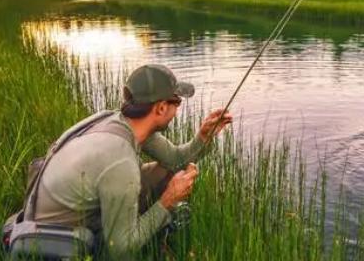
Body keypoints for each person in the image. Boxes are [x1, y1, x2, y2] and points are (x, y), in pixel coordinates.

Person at [32, 64, 232, 258]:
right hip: (56, 243)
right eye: (176, 102)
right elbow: (119, 252)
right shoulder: (120, 162)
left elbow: (175, 161)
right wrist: (168, 200)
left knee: (164, 172)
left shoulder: (118, 121)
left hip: (62, 212)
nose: (177, 110)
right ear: (161, 108)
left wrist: (204, 137)